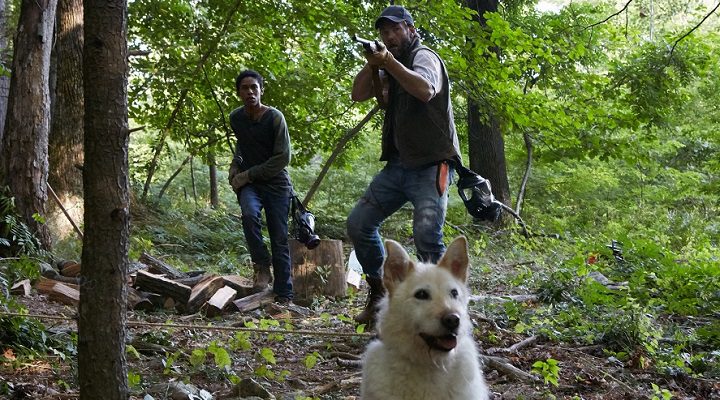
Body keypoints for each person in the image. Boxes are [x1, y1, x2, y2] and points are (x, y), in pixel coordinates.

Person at [347, 5, 461, 325]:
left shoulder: (425, 56)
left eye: (395, 29)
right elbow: (358, 94)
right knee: (359, 224)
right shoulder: (387, 64)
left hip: (431, 163)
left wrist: (389, 62)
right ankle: (381, 293)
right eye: (383, 32)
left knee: (427, 237)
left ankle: (442, 310)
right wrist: (373, 64)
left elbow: (425, 89)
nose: (389, 36)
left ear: (410, 29)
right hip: (398, 166)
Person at [228, 69, 294, 304]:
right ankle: (262, 265)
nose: (249, 92)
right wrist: (235, 167)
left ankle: (284, 294)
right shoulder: (236, 118)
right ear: (238, 93)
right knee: (249, 215)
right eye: (244, 88)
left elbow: (283, 158)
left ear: (261, 90)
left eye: (254, 87)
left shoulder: (275, 118)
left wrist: (247, 174)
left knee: (279, 237)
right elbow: (242, 146)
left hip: (276, 183)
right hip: (250, 185)